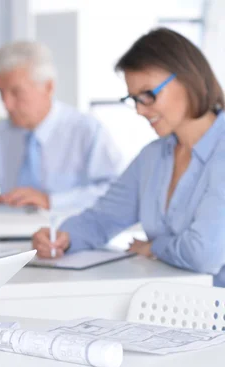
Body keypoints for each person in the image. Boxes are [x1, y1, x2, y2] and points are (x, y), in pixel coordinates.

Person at [32, 28, 225, 286]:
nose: (140, 110)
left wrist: (154, 247)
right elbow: (103, 218)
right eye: (133, 99)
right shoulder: (153, 157)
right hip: (170, 310)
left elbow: (205, 255)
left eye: (148, 95)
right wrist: (62, 238)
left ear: (189, 79)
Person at [0, 41, 122, 211]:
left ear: (48, 87)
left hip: (66, 233)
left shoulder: (86, 130)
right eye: (1, 92)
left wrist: (52, 201)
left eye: (16, 93)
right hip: (1, 233)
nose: (6, 104)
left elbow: (118, 192)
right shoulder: (0, 132)